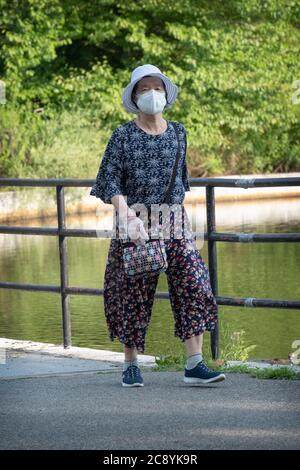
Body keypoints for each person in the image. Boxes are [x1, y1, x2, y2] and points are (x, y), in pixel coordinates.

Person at [90, 64, 225, 387]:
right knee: (133, 294)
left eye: (157, 87)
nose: (152, 93)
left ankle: (194, 364)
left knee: (193, 283)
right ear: (135, 98)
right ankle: (130, 364)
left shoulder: (179, 132)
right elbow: (109, 182)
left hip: (175, 222)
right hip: (135, 223)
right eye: (144, 89)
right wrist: (127, 216)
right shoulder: (123, 135)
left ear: (166, 92)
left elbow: (181, 183)